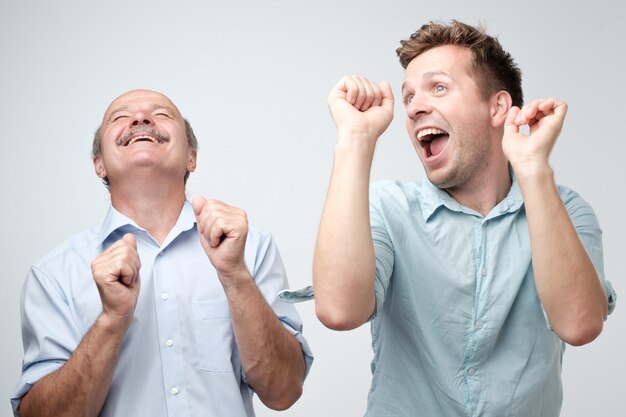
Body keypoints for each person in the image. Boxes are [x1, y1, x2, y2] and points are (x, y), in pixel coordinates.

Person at [313, 20, 616, 416]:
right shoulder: (386, 209)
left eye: (438, 87)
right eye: (408, 98)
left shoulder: (566, 210)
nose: (416, 106)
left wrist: (532, 168)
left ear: (498, 108)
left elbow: (579, 325)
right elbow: (338, 310)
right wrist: (355, 139)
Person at [12, 89, 313, 417]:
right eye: (120, 117)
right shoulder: (54, 275)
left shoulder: (250, 248)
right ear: (99, 164)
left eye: (162, 114)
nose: (141, 119)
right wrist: (111, 321)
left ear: (191, 157)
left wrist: (235, 277)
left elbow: (283, 391)